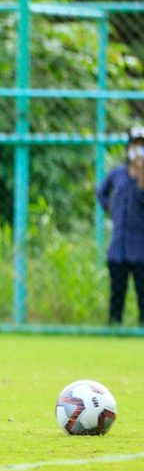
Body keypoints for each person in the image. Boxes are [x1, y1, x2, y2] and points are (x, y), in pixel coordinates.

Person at [96, 125, 144, 325]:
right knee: (117, 293)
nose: (138, 150)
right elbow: (101, 192)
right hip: (118, 246)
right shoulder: (118, 174)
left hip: (140, 247)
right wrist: (110, 208)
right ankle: (114, 328)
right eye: (135, 145)